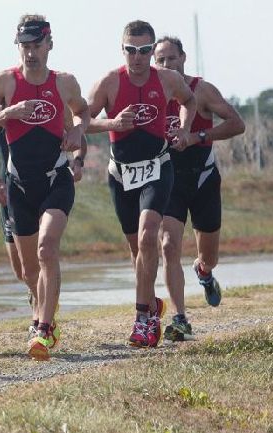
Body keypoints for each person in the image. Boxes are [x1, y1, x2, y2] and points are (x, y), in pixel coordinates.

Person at [0, 15, 89, 360]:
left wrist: (79, 131)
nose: (30, 52)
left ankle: (45, 330)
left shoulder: (64, 82)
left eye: (36, 45)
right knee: (28, 271)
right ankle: (42, 307)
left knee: (47, 248)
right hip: (19, 185)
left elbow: (83, 112)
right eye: (24, 45)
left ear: (49, 44)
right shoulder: (4, 82)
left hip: (56, 179)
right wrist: (8, 114)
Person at [86, 20, 196, 348]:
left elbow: (189, 101)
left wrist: (184, 130)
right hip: (121, 173)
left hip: (157, 167)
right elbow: (81, 121)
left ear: (151, 50)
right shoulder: (109, 82)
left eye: (145, 50)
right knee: (138, 251)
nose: (138, 57)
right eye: (131, 50)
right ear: (123, 50)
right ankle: (151, 302)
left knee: (150, 237)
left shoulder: (166, 79)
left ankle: (143, 320)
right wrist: (112, 122)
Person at [154, 36, 245, 341]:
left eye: (172, 58)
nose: (167, 65)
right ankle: (180, 318)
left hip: (203, 178)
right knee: (168, 245)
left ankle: (204, 272)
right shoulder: (150, 92)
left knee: (210, 256)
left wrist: (198, 136)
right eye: (161, 60)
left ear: (183, 59)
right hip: (168, 180)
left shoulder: (201, 89)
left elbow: (237, 123)